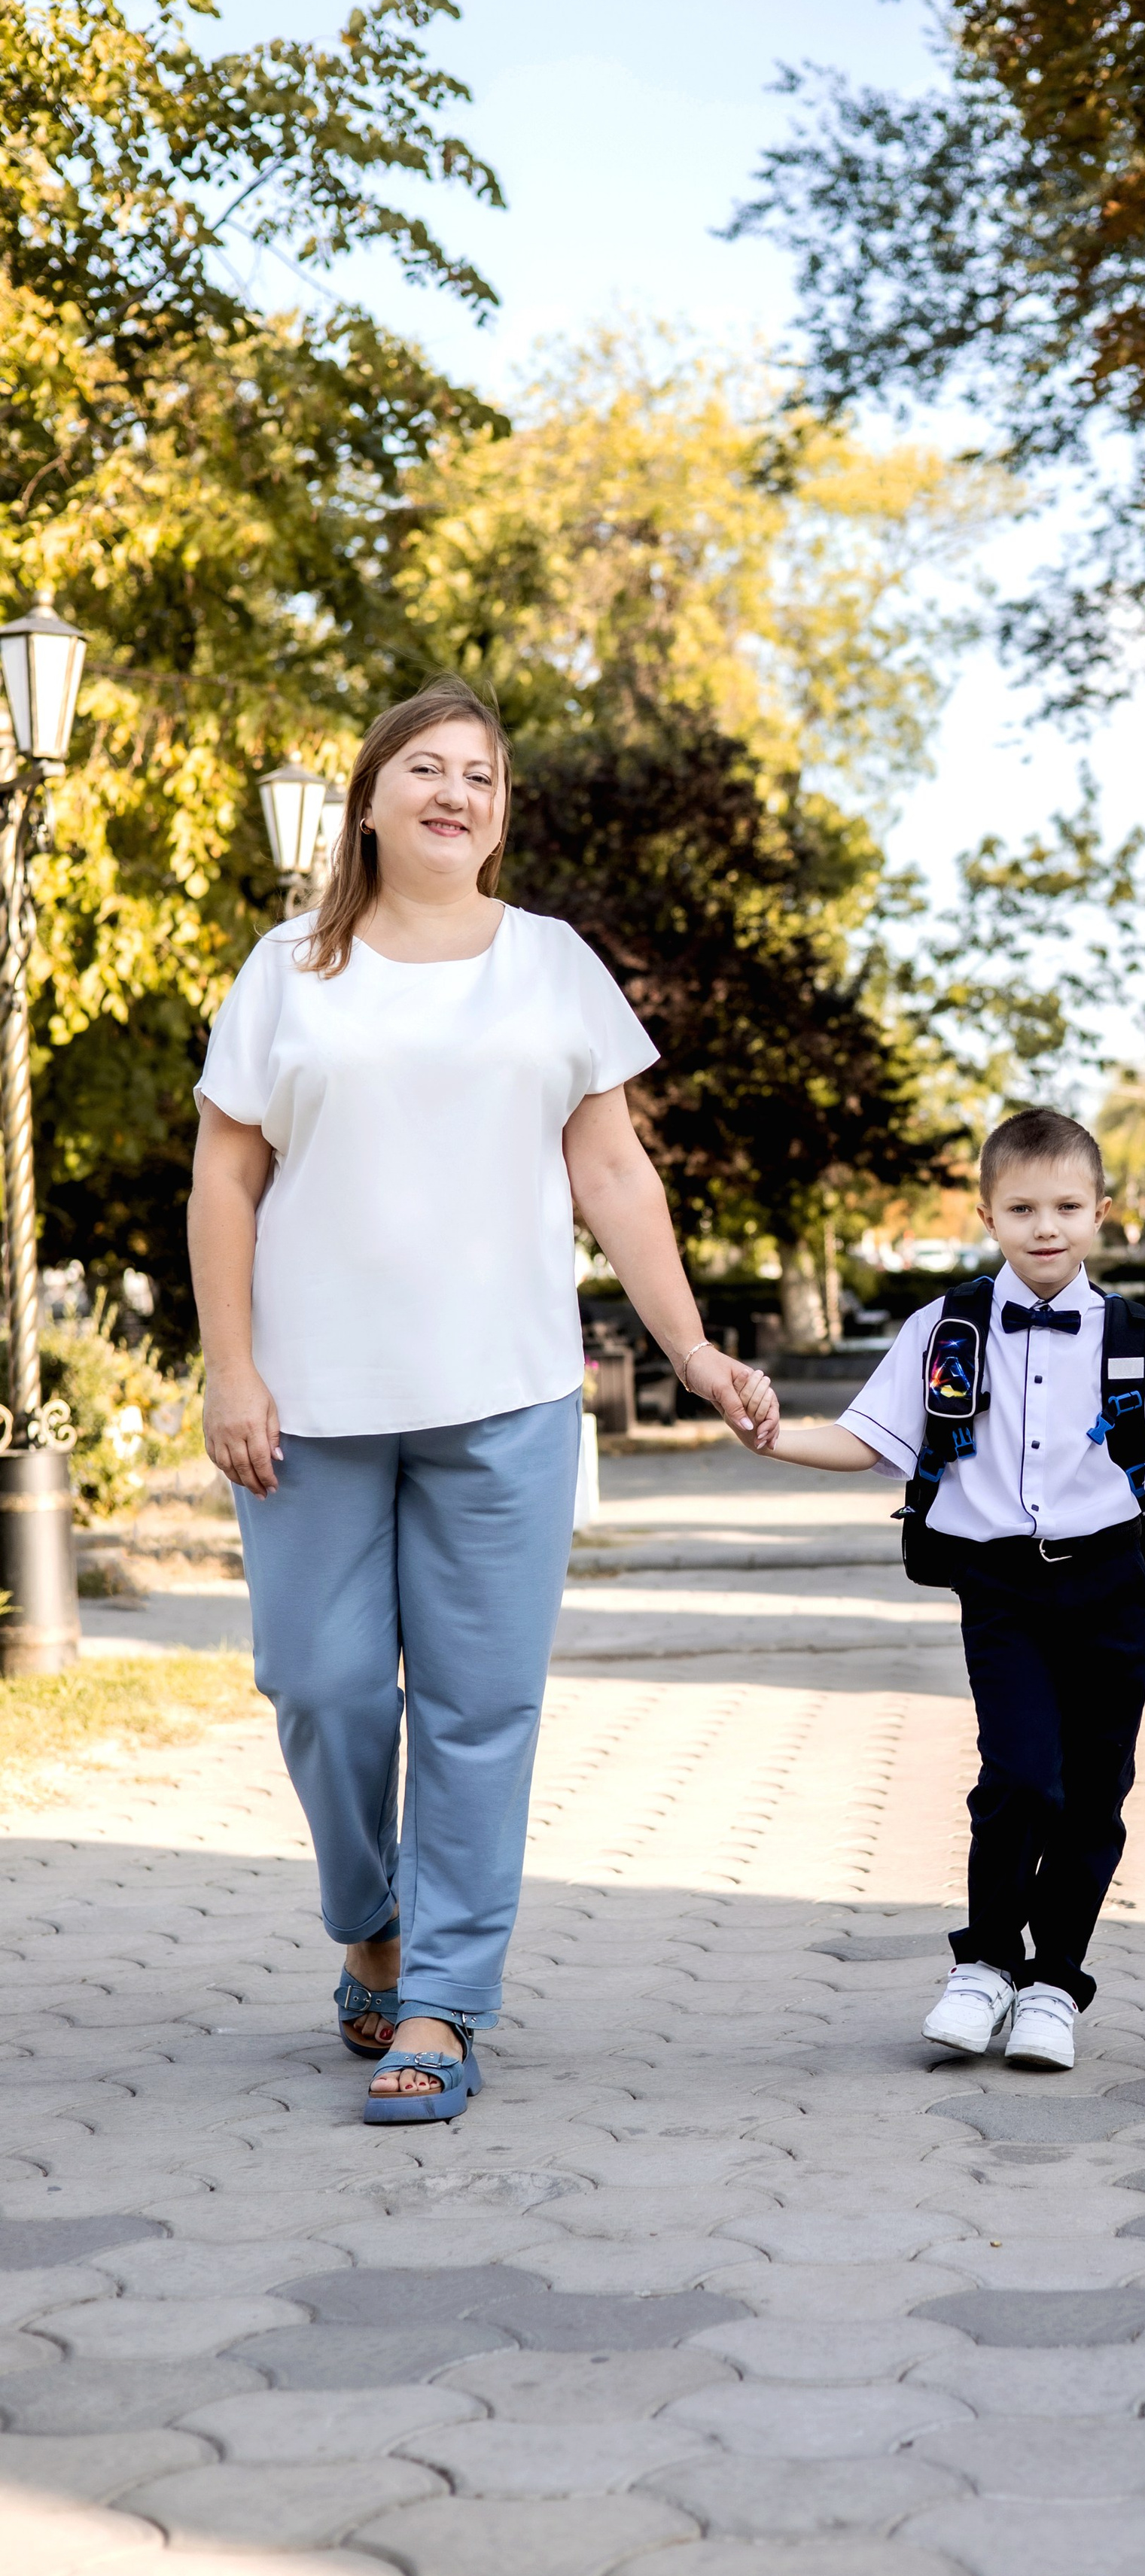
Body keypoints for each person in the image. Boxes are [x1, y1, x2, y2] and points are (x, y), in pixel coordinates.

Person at [189, 680, 777, 2127]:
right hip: (311, 1404)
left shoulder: (553, 965)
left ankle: (443, 2002)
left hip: (505, 1397)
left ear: (499, 815)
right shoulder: (286, 970)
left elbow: (615, 1175)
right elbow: (225, 1177)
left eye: (484, 777)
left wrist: (693, 1350)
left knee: (476, 1712)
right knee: (321, 1692)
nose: (457, 793)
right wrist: (229, 1365)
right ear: (372, 801)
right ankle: (369, 1920)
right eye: (428, 769)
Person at [744, 1109, 1145, 2070]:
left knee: (1095, 1793)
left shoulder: (1131, 1337)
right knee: (1019, 1778)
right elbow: (873, 1438)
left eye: (1067, 1207)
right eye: (1022, 1208)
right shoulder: (945, 1325)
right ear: (987, 1216)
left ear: (1102, 1214)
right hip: (998, 1585)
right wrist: (774, 1437)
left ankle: (1054, 1984)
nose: (1046, 1227)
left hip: (1109, 1582)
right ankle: (987, 1964)